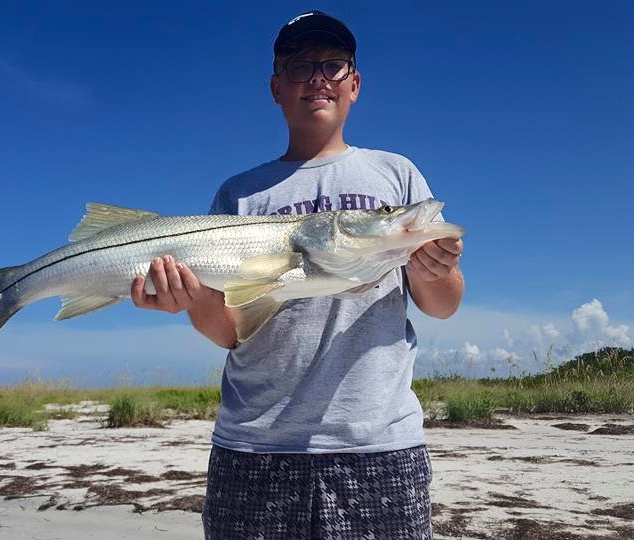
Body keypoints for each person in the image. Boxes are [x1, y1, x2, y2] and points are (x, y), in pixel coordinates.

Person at [131, 10, 464, 539]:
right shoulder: (239, 194)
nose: (317, 78)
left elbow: (443, 304)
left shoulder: (395, 173)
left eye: (332, 65)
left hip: (378, 443)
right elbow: (229, 329)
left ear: (354, 84)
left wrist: (433, 268)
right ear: (275, 88)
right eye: (299, 66)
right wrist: (191, 300)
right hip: (253, 445)